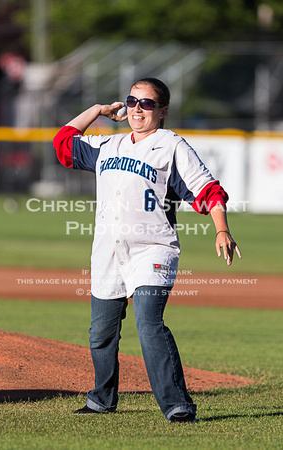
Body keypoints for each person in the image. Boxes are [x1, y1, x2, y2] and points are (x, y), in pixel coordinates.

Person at [53, 77, 241, 423]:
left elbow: (209, 190)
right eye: (133, 101)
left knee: (149, 323)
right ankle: (101, 400)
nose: (138, 109)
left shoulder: (172, 145)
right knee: (100, 334)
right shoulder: (108, 146)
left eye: (147, 103)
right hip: (108, 251)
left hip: (153, 248)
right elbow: (63, 143)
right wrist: (97, 110)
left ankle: (177, 405)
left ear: (162, 110)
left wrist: (222, 229)